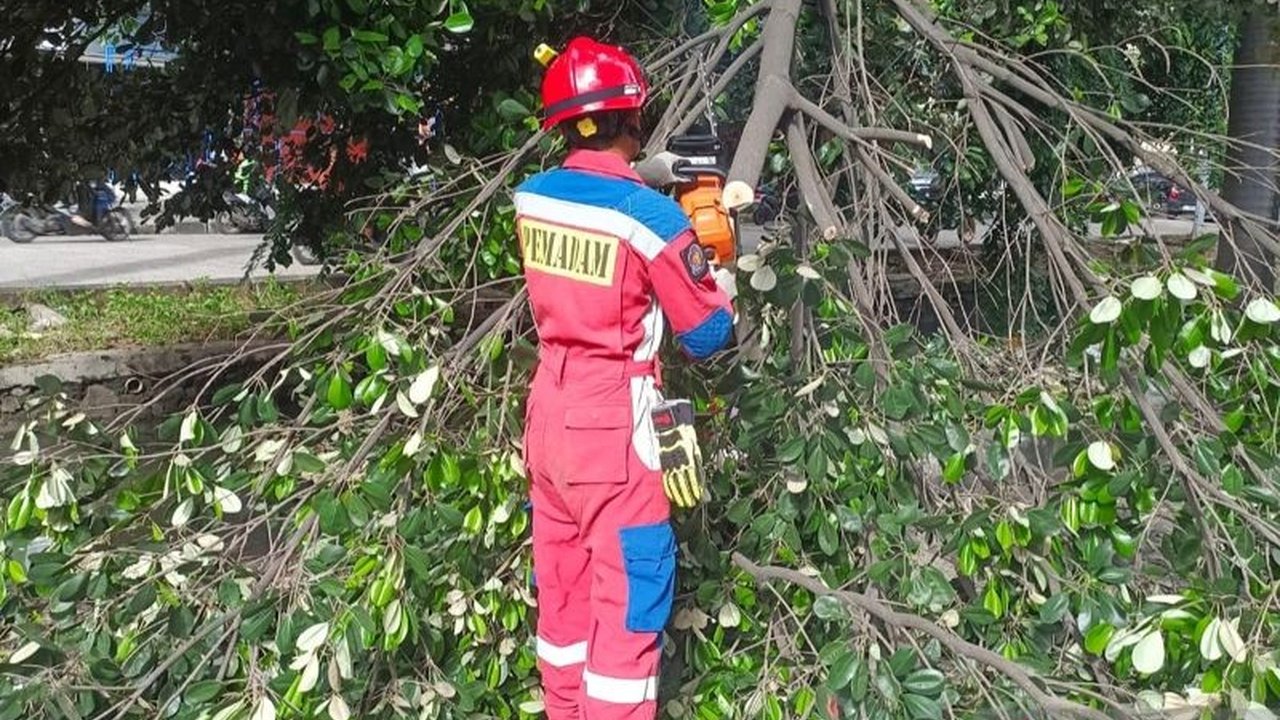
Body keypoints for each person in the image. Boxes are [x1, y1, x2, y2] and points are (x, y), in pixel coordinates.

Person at [514, 36, 737, 720]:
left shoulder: (534, 200)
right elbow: (706, 335)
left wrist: (654, 180)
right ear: (629, 119)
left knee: (565, 598)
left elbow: (595, 209)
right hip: (614, 427)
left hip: (549, 417)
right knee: (629, 607)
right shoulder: (651, 218)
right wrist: (718, 273)